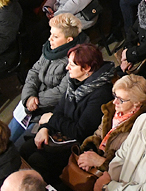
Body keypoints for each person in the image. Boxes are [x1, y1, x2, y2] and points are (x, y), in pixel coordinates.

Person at [20, 44, 115, 182]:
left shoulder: (101, 94)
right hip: (60, 132)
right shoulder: (75, 81)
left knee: (37, 160)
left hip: (76, 144)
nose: (67, 68)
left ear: (86, 68)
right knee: (26, 148)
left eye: (72, 65)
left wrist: (51, 119)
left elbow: (80, 131)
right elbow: (60, 108)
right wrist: (45, 128)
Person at [7, 14, 83, 143]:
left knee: (20, 145)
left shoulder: (75, 60)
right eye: (51, 34)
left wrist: (35, 101)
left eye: (55, 36)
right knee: (5, 138)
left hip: (49, 110)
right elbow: (34, 72)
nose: (50, 39)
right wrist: (29, 96)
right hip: (30, 103)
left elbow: (61, 92)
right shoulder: (49, 49)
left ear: (69, 39)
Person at [73, 75, 146, 190]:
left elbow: (129, 167)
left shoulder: (141, 128)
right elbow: (98, 134)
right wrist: (88, 154)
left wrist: (100, 162)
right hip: (93, 168)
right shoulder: (112, 110)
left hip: (111, 181)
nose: (115, 102)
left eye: (121, 100)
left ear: (136, 103)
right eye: (115, 96)